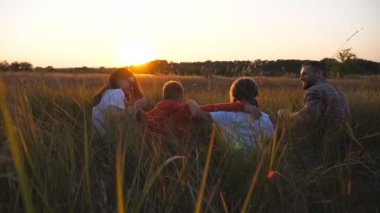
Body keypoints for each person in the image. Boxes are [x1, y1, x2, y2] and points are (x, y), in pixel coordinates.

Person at [144, 80, 259, 145]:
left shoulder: (154, 112)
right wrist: (242, 106)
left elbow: (145, 119)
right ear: (181, 97)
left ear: (163, 96)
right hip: (178, 155)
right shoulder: (182, 109)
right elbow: (213, 108)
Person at [277, 60, 350, 130]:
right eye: (300, 75)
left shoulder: (315, 90)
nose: (300, 78)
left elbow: (307, 116)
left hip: (324, 138)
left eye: (304, 74)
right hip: (343, 138)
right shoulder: (337, 90)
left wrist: (287, 115)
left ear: (318, 74)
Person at [205, 78, 274, 150]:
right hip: (258, 160)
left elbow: (196, 111)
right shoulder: (265, 118)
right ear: (254, 95)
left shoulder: (224, 115)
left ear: (234, 95)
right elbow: (270, 143)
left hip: (230, 160)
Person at [92, 69, 147, 136]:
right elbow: (113, 118)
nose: (132, 87)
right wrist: (137, 106)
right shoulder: (117, 92)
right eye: (130, 83)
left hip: (102, 137)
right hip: (110, 138)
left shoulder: (108, 92)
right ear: (119, 79)